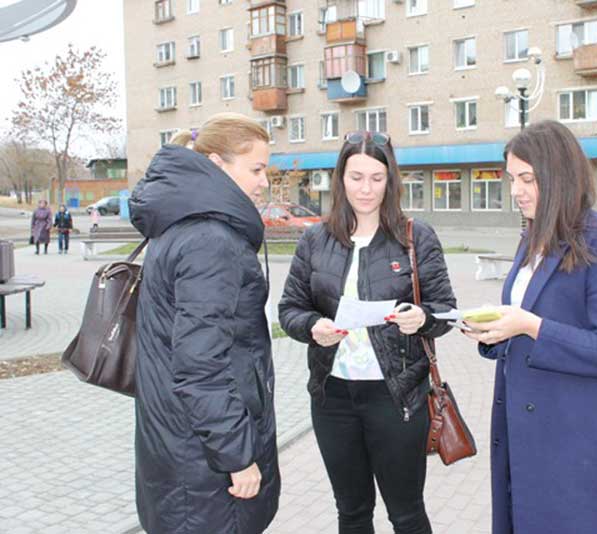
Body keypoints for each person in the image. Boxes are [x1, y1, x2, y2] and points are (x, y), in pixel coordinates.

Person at [462, 120, 597, 534]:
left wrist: (530, 325)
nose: (516, 191)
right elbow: (525, 318)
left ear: (559, 176)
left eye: (527, 178)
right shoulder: (532, 238)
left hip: (579, 445)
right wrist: (495, 330)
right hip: (525, 435)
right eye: (512, 179)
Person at [279, 131, 456, 534]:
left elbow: (445, 310)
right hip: (333, 397)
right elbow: (290, 309)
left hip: (396, 397)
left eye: (377, 178)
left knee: (406, 513)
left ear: (390, 179)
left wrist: (422, 319)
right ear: (340, 178)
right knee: (352, 512)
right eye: (356, 177)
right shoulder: (315, 239)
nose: (366, 188)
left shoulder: (415, 236)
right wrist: (312, 326)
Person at [128, 113, 280, 534]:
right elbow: (200, 366)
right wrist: (238, 456)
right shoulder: (210, 241)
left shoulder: (185, 226)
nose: (263, 182)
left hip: (181, 451)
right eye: (255, 169)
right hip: (204, 466)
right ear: (216, 164)